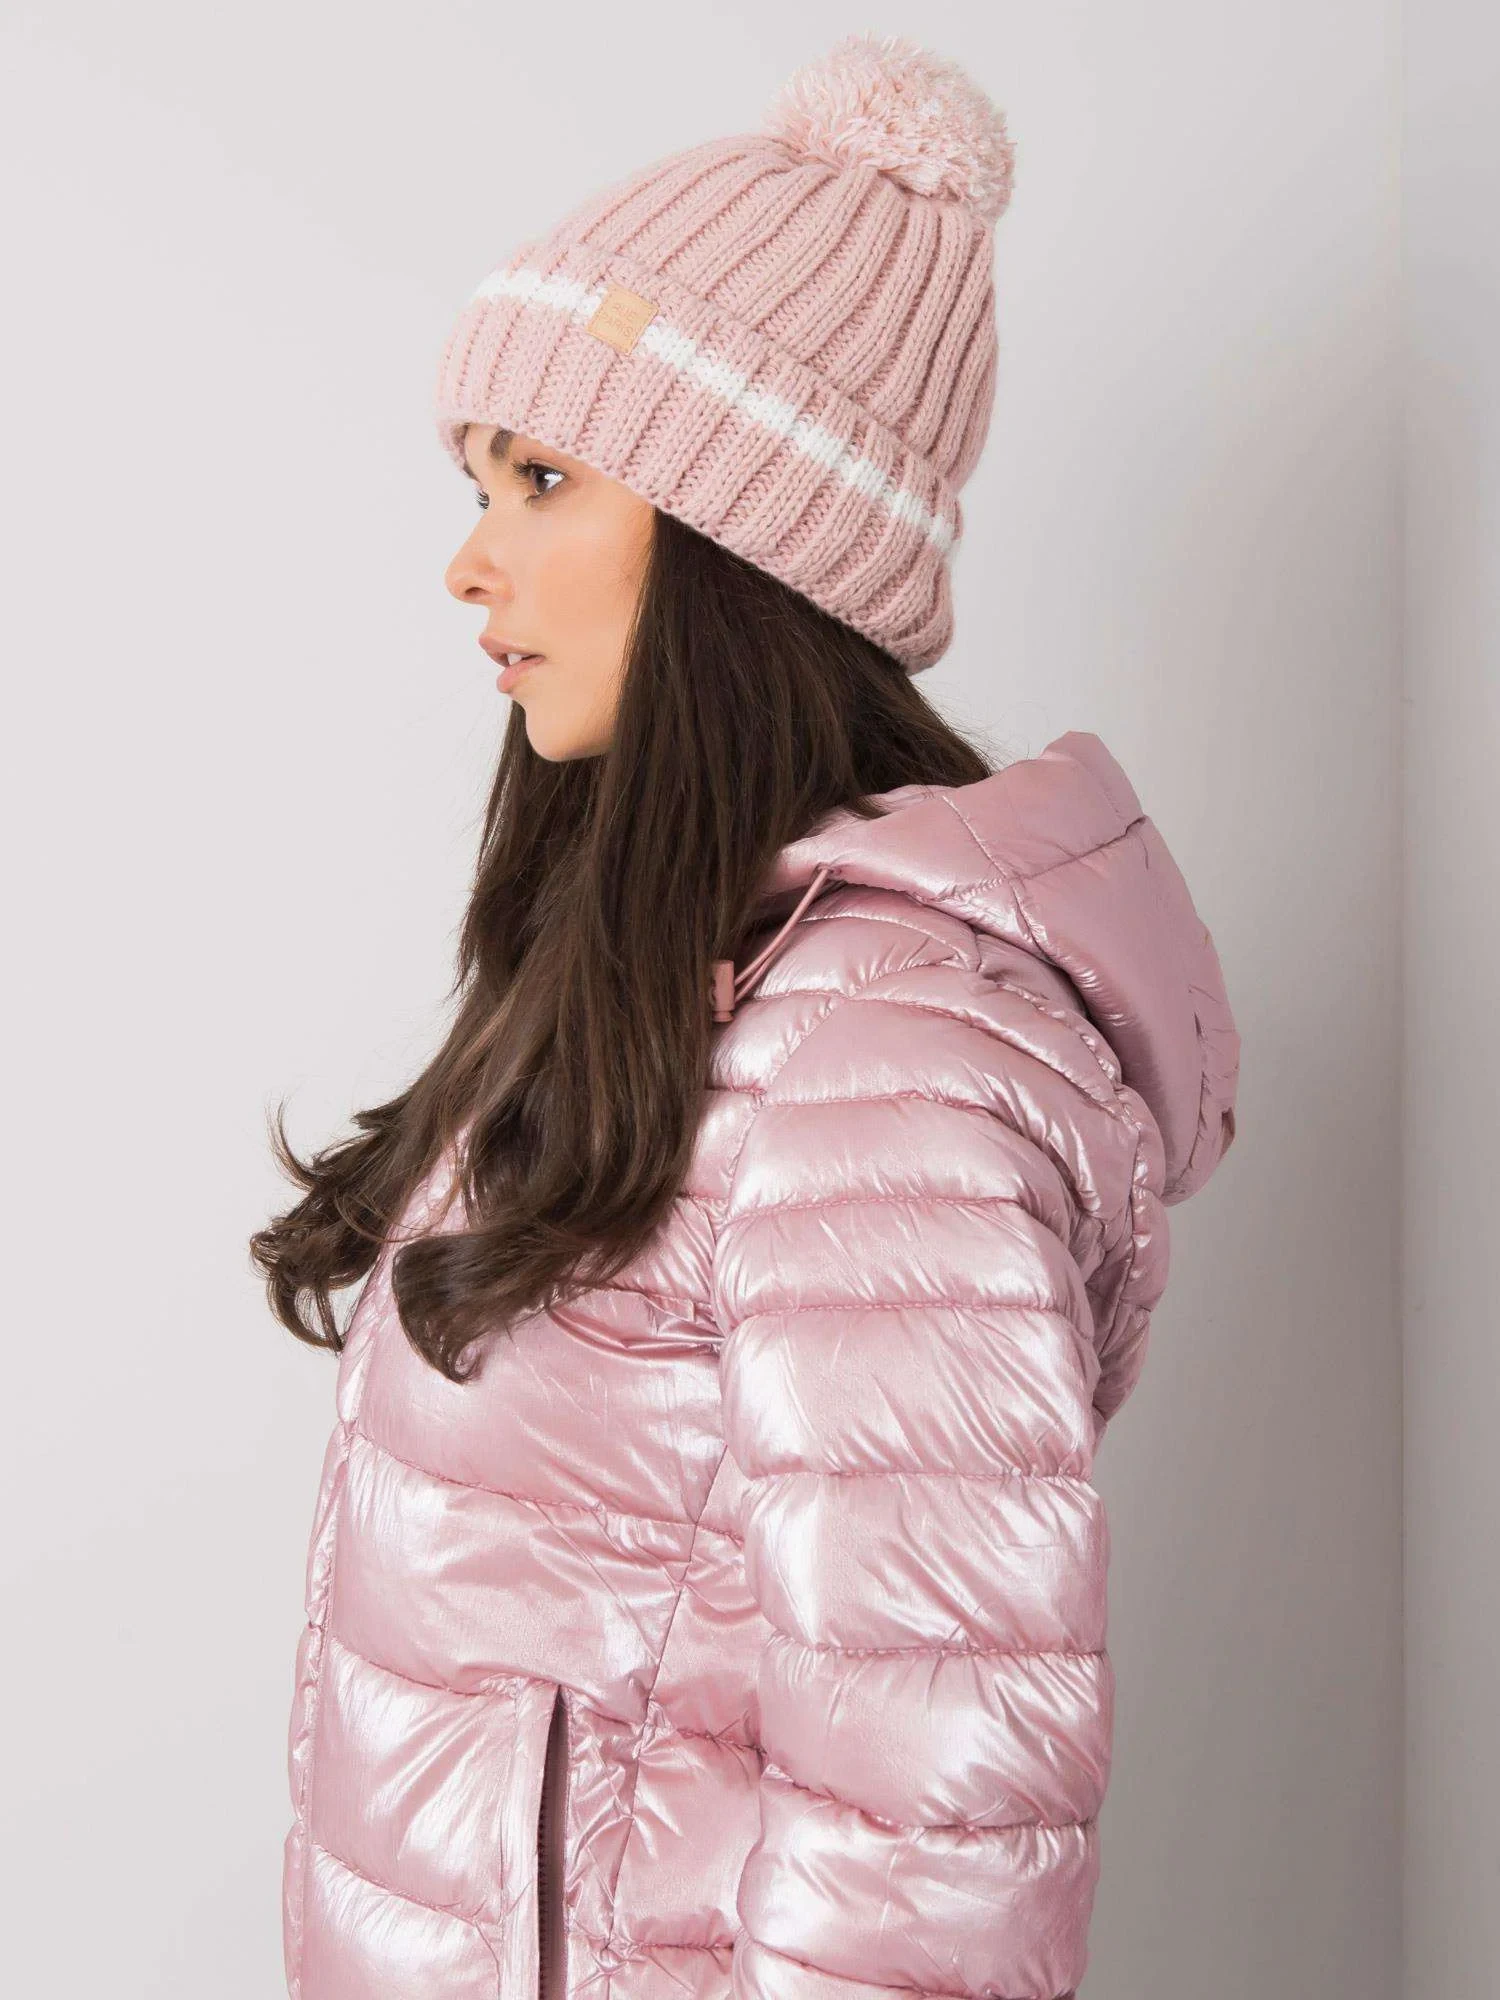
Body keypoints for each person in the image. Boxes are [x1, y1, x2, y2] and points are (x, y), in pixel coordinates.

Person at [251, 30, 1240, 2000]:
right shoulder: (678, 984)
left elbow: (933, 1850)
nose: (471, 559)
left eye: (544, 479)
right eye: (480, 480)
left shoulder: (884, 1069)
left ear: (743, 538)